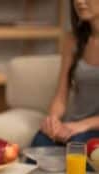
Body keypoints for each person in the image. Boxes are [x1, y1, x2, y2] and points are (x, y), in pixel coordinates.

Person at [31, 0, 99, 157]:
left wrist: (82, 125)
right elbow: (61, 96)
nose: (79, 1)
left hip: (87, 131)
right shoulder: (72, 41)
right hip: (72, 127)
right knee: (40, 142)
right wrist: (53, 121)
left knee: (79, 149)